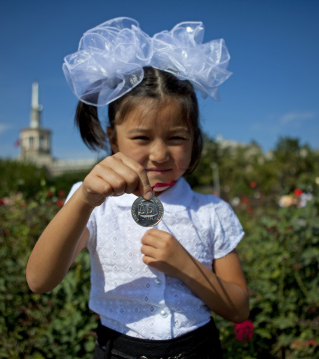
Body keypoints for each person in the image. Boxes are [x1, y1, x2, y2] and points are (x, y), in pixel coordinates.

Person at [26, 18, 249, 358]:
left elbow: (239, 308)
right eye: (142, 138)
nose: (159, 154)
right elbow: (39, 280)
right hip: (119, 350)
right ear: (113, 138)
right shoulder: (92, 202)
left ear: (195, 140)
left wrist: (185, 265)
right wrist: (84, 199)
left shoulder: (212, 211)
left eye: (176, 138)